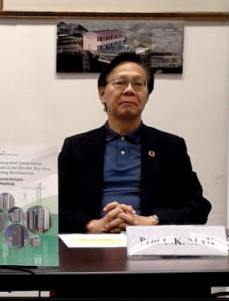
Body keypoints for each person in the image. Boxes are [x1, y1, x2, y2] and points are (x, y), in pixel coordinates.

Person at [58, 52, 211, 233]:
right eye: (120, 82)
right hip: (92, 242)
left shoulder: (170, 147)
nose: (129, 90)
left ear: (147, 95)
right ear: (102, 93)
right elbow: (52, 206)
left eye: (138, 84)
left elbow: (197, 206)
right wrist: (92, 225)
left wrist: (151, 221)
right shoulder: (76, 147)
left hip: (150, 241)